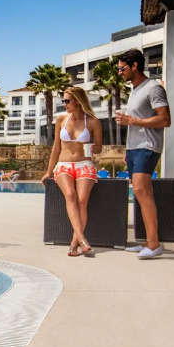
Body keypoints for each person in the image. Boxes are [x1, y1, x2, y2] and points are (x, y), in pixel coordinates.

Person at [116, 48, 171, 259]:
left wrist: (132, 120)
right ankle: (149, 241)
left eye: (122, 68)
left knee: (140, 190)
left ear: (135, 66)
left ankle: (154, 244)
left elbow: (164, 119)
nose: (120, 72)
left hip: (148, 146)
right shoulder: (135, 90)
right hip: (134, 148)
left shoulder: (153, 88)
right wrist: (127, 149)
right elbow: (136, 123)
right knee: (141, 192)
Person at [42, 86, 102, 256]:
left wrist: (96, 148)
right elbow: (56, 147)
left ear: (78, 100)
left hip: (85, 165)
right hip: (64, 165)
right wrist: (48, 171)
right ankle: (82, 239)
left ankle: (74, 243)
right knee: (70, 195)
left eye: (67, 101)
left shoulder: (93, 121)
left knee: (82, 201)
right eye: (63, 101)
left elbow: (99, 148)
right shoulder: (61, 119)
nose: (64, 104)